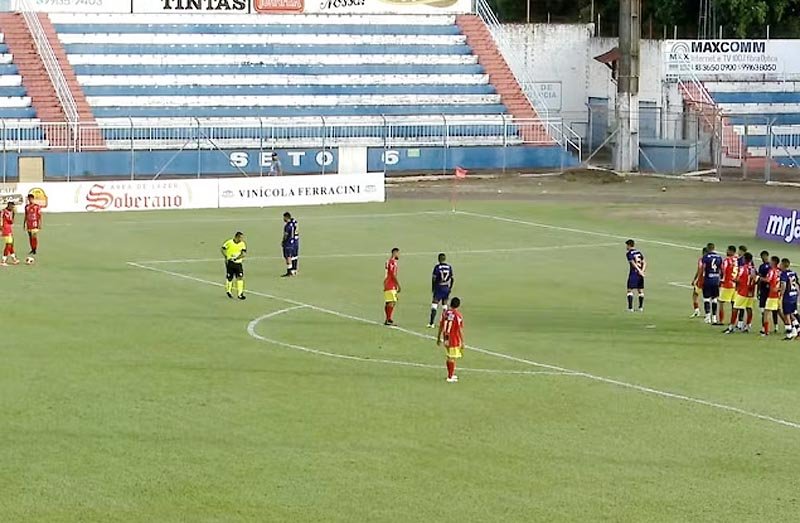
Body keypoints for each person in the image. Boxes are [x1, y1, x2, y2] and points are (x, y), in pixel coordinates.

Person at [725, 251, 755, 334]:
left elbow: (738, 279)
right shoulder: (753, 269)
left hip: (743, 292)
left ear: (745, 259)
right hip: (751, 292)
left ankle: (731, 327)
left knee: (735, 308)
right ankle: (748, 326)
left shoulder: (743, 268)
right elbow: (755, 279)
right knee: (749, 309)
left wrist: (734, 280)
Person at [437, 297, 464, 383]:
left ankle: (451, 374)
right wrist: (462, 341)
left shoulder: (445, 313)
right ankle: (450, 376)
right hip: (453, 338)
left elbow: (441, 326)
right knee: (451, 357)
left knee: (450, 355)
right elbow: (460, 329)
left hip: (446, 337)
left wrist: (438, 338)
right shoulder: (458, 315)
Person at [428, 253, 454, 328]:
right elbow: (452, 278)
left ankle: (431, 323)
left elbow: (434, 278)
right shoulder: (449, 267)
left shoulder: (437, 267)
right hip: (446, 287)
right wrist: (450, 288)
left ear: (439, 259)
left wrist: (433, 287)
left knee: (434, 305)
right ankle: (445, 323)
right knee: (445, 306)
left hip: (439, 287)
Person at [701, 243, 723, 325]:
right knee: (714, 299)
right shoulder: (719, 257)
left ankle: (707, 317)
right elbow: (722, 269)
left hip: (708, 280)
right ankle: (714, 318)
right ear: (714, 248)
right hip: (716, 280)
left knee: (706, 299)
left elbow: (702, 268)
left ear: (707, 248)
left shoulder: (706, 257)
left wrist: (700, 278)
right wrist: (721, 279)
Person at [221, 231, 246, 300]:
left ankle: (240, 294)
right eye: (240, 237)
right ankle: (228, 291)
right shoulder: (229, 242)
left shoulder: (242, 244)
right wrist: (226, 256)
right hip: (230, 263)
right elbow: (223, 249)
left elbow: (243, 254)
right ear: (236, 237)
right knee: (230, 277)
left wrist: (237, 258)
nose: (241, 239)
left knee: (240, 277)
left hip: (238, 263)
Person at [757, 250, 777, 333]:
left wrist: (758, 280)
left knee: (764, 310)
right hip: (772, 291)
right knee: (774, 310)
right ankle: (776, 326)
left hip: (766, 290)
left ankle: (765, 329)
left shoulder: (763, 267)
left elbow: (762, 279)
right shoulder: (775, 268)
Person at [761, 256, 782, 336]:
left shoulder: (772, 271)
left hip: (772, 295)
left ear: (773, 262)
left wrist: (759, 277)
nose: (769, 262)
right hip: (778, 295)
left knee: (766, 313)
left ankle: (766, 332)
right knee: (779, 312)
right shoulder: (779, 271)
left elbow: (767, 280)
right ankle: (790, 327)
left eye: (771, 261)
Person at [779, 258, 799, 340]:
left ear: (783, 265)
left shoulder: (783, 274)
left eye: (781, 264)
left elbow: (783, 285)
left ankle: (789, 334)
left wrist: (781, 295)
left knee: (787, 315)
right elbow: (797, 282)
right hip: (794, 295)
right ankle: (798, 330)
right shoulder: (793, 273)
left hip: (788, 297)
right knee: (792, 314)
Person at [719, 245, 739, 325]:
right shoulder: (737, 260)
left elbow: (723, 271)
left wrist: (721, 280)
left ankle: (721, 321)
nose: (726, 251)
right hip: (735, 285)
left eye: (727, 250)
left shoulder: (727, 260)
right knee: (734, 303)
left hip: (727, 284)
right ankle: (734, 321)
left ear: (731, 251)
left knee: (721, 302)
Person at [625, 239, 646, 312]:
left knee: (629, 290)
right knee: (640, 290)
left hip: (634, 273)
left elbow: (633, 263)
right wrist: (642, 271)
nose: (626, 247)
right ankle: (640, 308)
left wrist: (639, 270)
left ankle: (630, 308)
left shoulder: (629, 253)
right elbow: (644, 262)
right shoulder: (639, 252)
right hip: (640, 274)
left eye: (627, 245)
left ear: (629, 245)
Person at [383, 247, 400, 326]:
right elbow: (392, 274)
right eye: (398, 253)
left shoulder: (388, 261)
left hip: (387, 283)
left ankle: (387, 319)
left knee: (389, 302)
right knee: (392, 302)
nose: (398, 255)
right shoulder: (392, 262)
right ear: (394, 253)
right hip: (390, 284)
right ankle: (388, 319)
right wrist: (398, 284)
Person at [691, 247, 708, 317]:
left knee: (695, 295)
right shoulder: (713, 259)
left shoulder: (701, 260)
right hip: (710, 280)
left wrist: (695, 279)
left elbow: (699, 270)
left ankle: (697, 310)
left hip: (701, 281)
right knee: (708, 297)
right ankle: (708, 313)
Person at [1, 201, 19, 266]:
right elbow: (0, 219)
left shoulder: (11, 212)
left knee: (11, 243)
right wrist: (1, 228)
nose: (13, 207)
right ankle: (3, 260)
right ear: (9, 205)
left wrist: (14, 214)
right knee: (8, 244)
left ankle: (14, 258)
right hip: (5, 229)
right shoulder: (3, 211)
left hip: (9, 229)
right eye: (12, 206)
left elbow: (11, 221)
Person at [281, 212, 299, 277]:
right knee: (294, 256)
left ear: (286, 217)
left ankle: (289, 271)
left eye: (284, 217)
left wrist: (283, 241)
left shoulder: (287, 226)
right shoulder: (294, 222)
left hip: (288, 242)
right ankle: (294, 270)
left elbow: (286, 235)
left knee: (287, 256)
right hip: (295, 241)